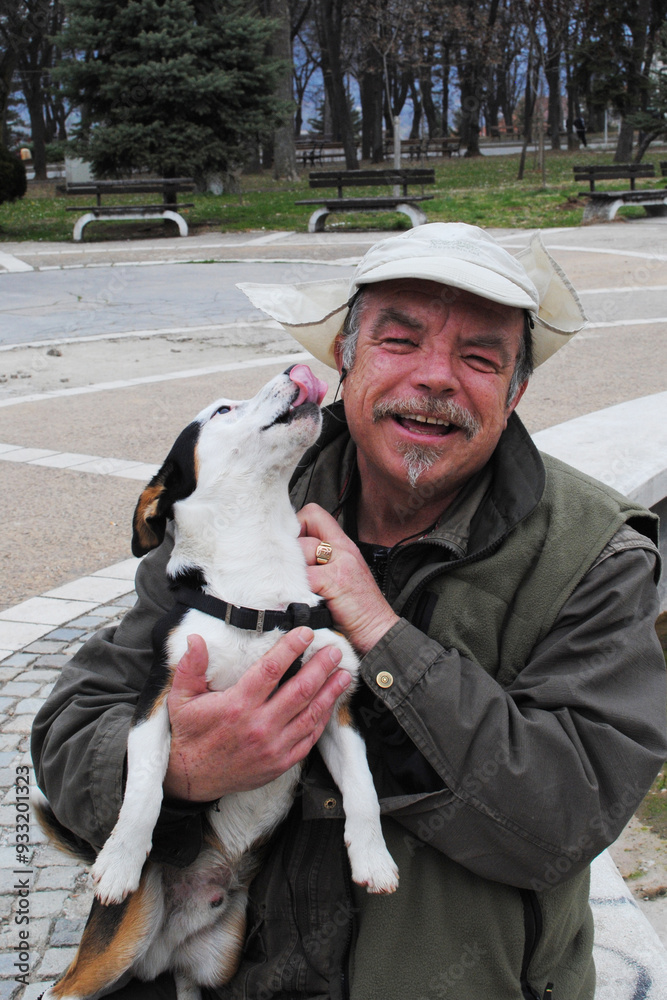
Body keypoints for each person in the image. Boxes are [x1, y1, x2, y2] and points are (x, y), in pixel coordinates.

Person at [32, 224, 666, 1000]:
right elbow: (69, 733)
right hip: (222, 969)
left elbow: (561, 820)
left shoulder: (595, 557)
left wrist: (382, 637)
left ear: (515, 392)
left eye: (478, 358)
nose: (434, 378)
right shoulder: (240, 492)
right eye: (398, 342)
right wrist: (185, 771)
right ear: (345, 357)